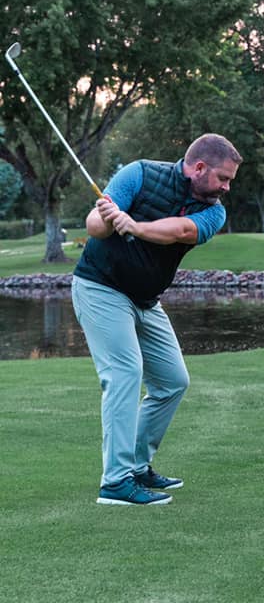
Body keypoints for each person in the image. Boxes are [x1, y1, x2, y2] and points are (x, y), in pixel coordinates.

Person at [72, 133, 242, 506]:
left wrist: (134, 226)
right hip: (101, 287)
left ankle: (135, 464)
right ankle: (115, 482)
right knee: (124, 373)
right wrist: (107, 218)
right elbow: (93, 226)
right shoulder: (140, 174)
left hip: (146, 300)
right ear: (199, 168)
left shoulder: (214, 211)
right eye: (223, 178)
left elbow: (181, 231)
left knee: (172, 381)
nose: (227, 187)